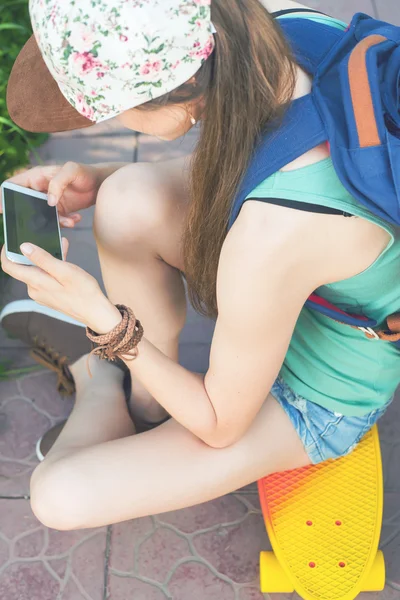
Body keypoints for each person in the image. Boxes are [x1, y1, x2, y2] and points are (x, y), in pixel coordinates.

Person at [0, 0, 398, 531]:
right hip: (300, 273)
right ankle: (145, 406)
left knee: (58, 496)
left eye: (108, 110)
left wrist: (102, 319)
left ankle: (100, 379)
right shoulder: (273, 29)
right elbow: (275, 155)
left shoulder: (271, 236)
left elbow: (218, 425)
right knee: (125, 200)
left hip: (321, 382)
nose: (109, 122)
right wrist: (100, 176)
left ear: (175, 101)